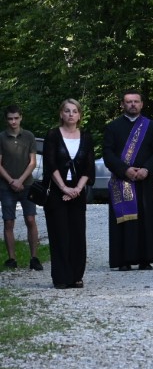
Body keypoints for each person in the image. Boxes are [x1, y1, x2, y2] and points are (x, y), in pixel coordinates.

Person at [103, 90, 153, 271]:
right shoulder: (112, 127)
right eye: (129, 102)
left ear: (142, 104)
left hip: (146, 180)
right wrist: (125, 170)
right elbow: (108, 153)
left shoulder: (151, 126)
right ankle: (124, 260)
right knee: (124, 221)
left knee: (147, 219)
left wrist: (146, 169)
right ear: (122, 104)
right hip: (122, 180)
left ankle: (146, 258)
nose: (132, 104)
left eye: (136, 101)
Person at [42, 99, 95, 289]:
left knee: (77, 234)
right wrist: (64, 188)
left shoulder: (86, 137)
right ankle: (61, 277)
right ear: (61, 114)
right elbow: (50, 164)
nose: (71, 114)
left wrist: (77, 189)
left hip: (78, 191)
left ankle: (76, 276)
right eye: (67, 111)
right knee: (59, 233)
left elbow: (89, 166)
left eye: (74, 111)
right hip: (57, 190)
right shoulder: (53, 135)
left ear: (80, 115)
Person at [0, 105, 41, 271]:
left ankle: (34, 257)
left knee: (30, 219)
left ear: (21, 117)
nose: (13, 121)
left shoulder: (29, 136)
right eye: (10, 118)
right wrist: (12, 181)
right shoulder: (1, 137)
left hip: (27, 184)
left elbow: (33, 162)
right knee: (8, 221)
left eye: (16, 118)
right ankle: (12, 258)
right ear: (6, 120)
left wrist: (20, 180)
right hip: (6, 186)